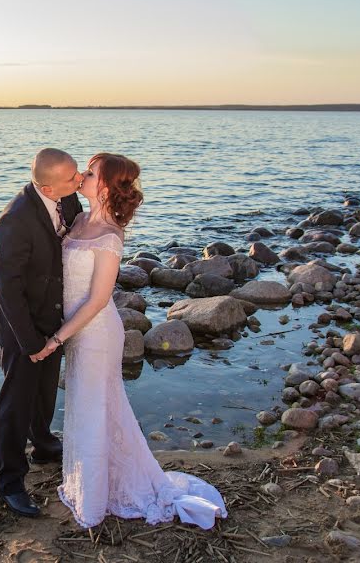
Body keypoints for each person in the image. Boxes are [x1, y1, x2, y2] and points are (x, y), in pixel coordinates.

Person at [38, 152, 228, 530]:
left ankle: (96, 500)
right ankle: (92, 483)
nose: (82, 176)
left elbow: (95, 300)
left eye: (90, 173)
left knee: (96, 406)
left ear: (106, 186)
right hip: (77, 331)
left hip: (94, 333)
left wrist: (56, 339)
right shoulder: (77, 217)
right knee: (87, 405)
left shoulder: (110, 236)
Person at [0, 147, 84, 518]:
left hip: (55, 318)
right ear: (47, 188)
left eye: (77, 175)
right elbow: (8, 289)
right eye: (71, 178)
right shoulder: (14, 220)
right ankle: (9, 483)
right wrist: (31, 343)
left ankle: (43, 443)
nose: (79, 181)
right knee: (15, 404)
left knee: (45, 390)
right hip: (22, 327)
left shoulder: (67, 196)